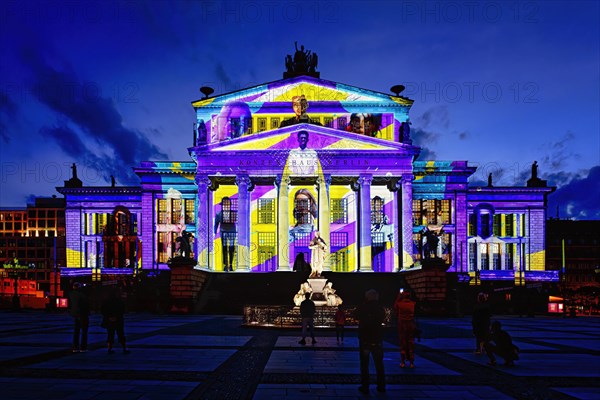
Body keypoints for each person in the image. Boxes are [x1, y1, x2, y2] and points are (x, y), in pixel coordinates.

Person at [355, 289, 386, 394]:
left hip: (365, 339)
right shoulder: (380, 308)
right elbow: (383, 318)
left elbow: (355, 315)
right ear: (377, 297)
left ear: (367, 297)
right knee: (379, 365)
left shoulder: (363, 307)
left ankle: (365, 386)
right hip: (377, 339)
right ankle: (381, 386)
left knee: (364, 365)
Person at [101, 288, 130, 354]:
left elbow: (103, 310)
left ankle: (109, 348)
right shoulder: (119, 301)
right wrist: (116, 316)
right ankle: (124, 348)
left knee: (110, 334)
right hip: (118, 320)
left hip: (109, 320)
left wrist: (109, 317)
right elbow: (122, 310)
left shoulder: (106, 301)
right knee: (121, 334)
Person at [393, 290, 416, 368]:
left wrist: (398, 296)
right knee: (411, 343)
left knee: (403, 343)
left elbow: (395, 307)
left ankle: (403, 362)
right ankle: (411, 362)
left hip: (402, 326)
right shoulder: (413, 304)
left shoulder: (399, 304)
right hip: (411, 325)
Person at [214, 197, 237, 271]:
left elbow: (238, 222)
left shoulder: (234, 213)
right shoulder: (218, 214)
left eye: (227, 205)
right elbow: (216, 223)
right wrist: (215, 232)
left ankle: (230, 264)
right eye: (224, 204)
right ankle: (225, 264)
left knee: (231, 248)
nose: (226, 206)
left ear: (229, 205)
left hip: (231, 231)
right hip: (223, 232)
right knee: (224, 248)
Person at [69, 282, 90, 353]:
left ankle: (75, 347)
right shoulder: (82, 295)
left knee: (76, 332)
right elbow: (86, 304)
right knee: (84, 332)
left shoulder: (71, 294)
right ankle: (83, 347)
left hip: (75, 315)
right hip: (83, 314)